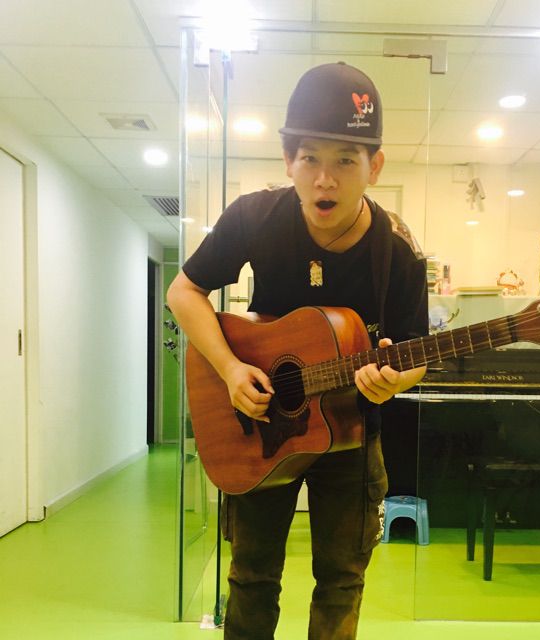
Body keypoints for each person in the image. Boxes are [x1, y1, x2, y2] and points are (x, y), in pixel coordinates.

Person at [167, 61, 428, 640]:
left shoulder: (398, 250)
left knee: (341, 582)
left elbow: (416, 351)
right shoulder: (255, 217)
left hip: (352, 436)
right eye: (310, 158)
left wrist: (396, 379)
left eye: (346, 160)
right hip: (260, 427)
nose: (324, 180)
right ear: (288, 160)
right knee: (251, 577)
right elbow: (183, 291)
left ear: (375, 166)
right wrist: (230, 369)